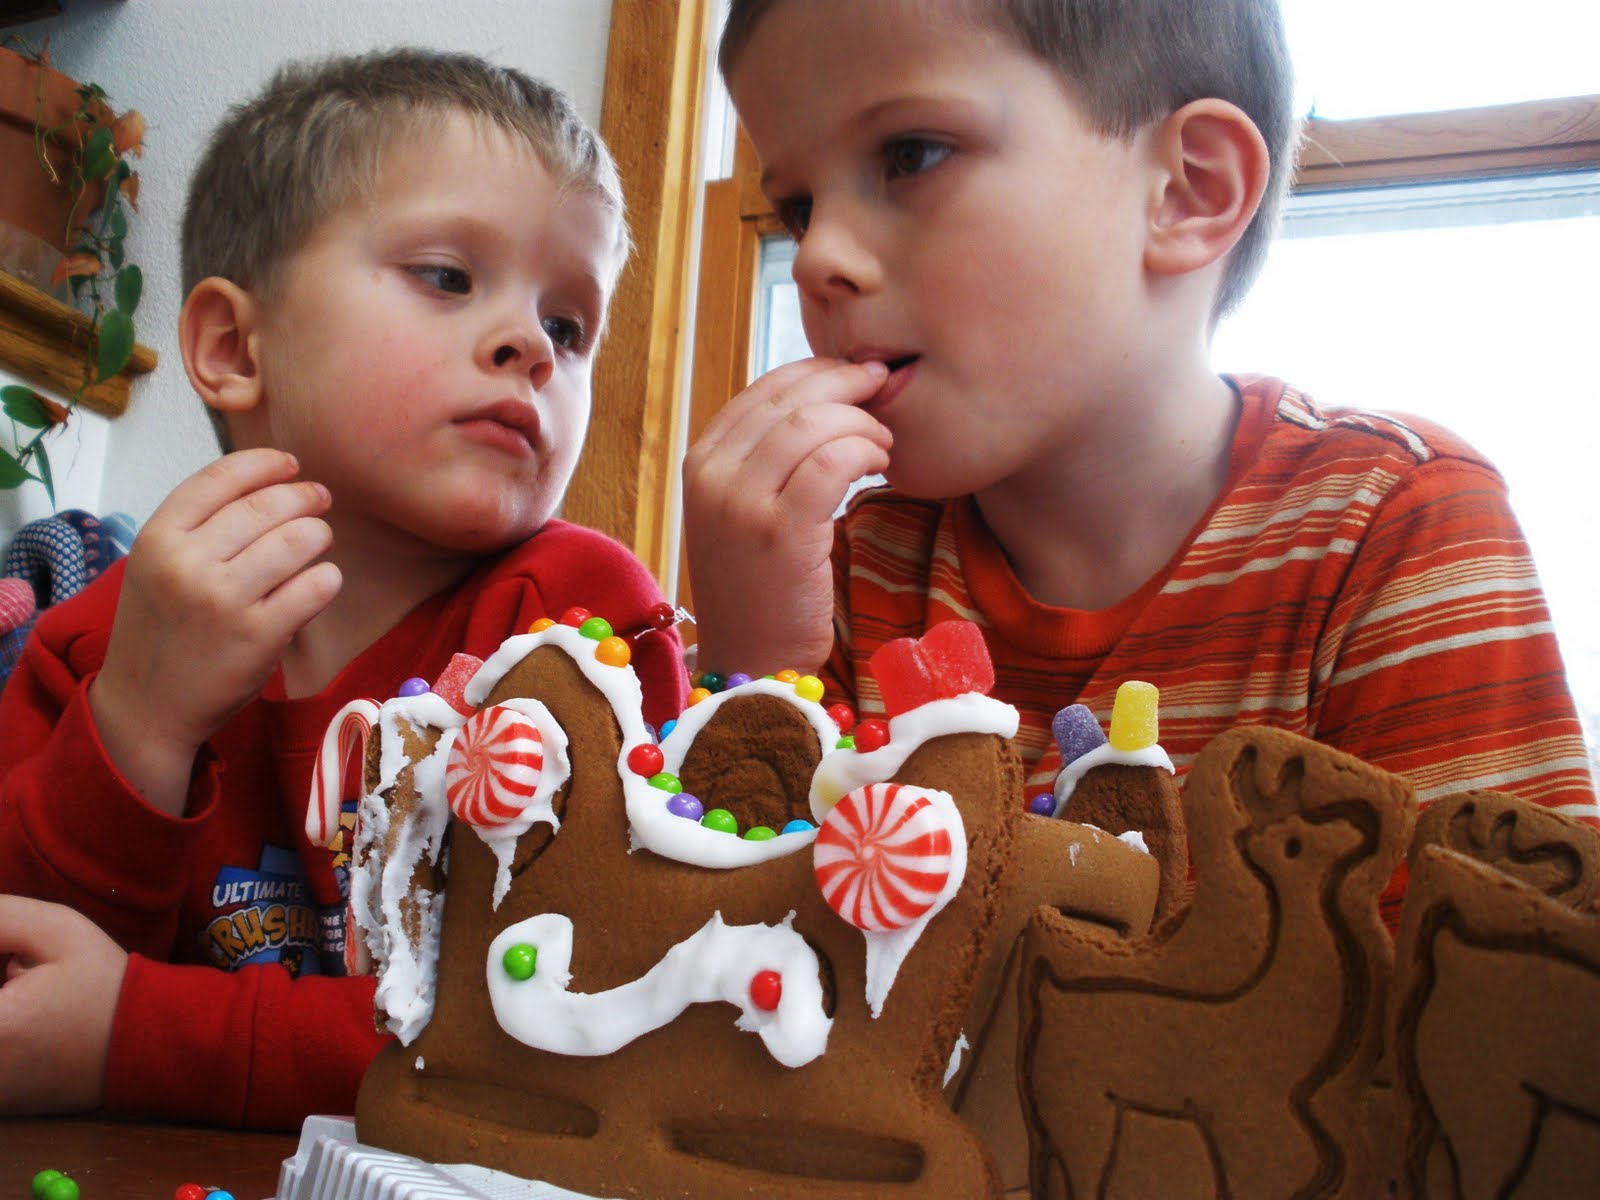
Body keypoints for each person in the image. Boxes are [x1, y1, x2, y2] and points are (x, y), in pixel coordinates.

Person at [682, 0, 1597, 925]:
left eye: (910, 154)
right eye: (798, 208)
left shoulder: (1391, 530)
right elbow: (736, 1000)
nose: (818, 259)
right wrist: (752, 666)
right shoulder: (829, 576)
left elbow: (1486, 1018)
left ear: (1187, 191)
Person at [0, 48, 686, 1129]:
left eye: (568, 324)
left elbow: (572, 1029)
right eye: (449, 277)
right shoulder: (97, 637)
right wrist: (136, 724)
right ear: (234, 346)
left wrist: (134, 1035)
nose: (530, 347)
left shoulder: (581, 625)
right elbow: (24, 997)